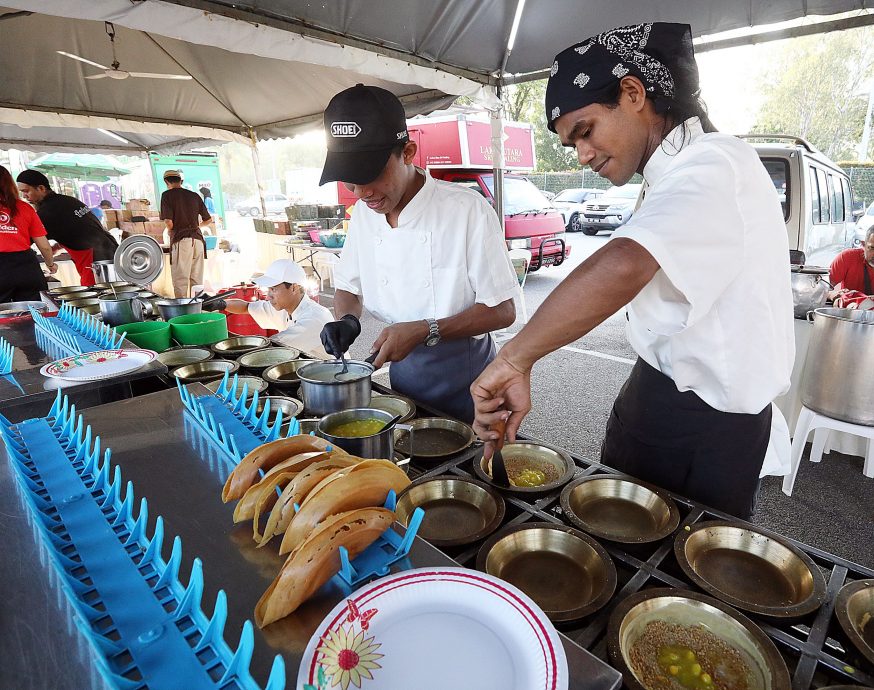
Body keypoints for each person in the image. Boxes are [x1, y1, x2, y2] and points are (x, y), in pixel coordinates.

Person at [470, 23, 794, 519]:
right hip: (650, 394)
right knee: (608, 539)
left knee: (673, 577)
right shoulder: (666, 175)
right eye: (571, 144)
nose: (583, 154)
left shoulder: (715, 162)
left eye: (586, 130)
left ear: (633, 92)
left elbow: (624, 262)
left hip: (706, 425)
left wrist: (514, 359)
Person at [317, 84, 519, 423]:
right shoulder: (366, 214)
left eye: (371, 175)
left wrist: (427, 329)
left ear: (408, 152)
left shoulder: (466, 209)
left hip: (467, 379)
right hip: (403, 375)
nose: (363, 193)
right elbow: (348, 287)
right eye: (351, 181)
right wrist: (347, 320)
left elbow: (502, 311)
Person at [204, 259, 333, 358]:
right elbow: (246, 307)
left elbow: (269, 349)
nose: (268, 296)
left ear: (294, 288)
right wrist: (220, 304)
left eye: (273, 289)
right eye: (268, 289)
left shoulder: (313, 317)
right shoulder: (284, 307)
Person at [16, 170, 119, 287]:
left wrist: (50, 264)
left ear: (41, 188)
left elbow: (33, 244)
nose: (24, 196)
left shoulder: (47, 212)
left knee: (97, 295)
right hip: (111, 250)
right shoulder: (69, 201)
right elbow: (77, 228)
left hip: (95, 260)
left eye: (26, 191)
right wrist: (58, 247)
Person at [0, 165, 57, 301]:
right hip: (26, 268)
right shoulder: (25, 208)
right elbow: (44, 246)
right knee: (35, 313)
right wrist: (50, 264)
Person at [159, 169, 211, 297]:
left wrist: (171, 231)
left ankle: (183, 312)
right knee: (197, 279)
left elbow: (168, 221)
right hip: (198, 240)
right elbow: (208, 220)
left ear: (166, 182)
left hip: (181, 240)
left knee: (180, 279)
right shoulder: (194, 195)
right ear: (181, 181)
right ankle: (198, 308)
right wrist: (195, 226)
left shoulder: (167, 195)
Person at [829, 227, 874, 295]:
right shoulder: (847, 257)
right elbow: (822, 289)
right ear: (863, 244)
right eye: (872, 248)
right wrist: (832, 295)